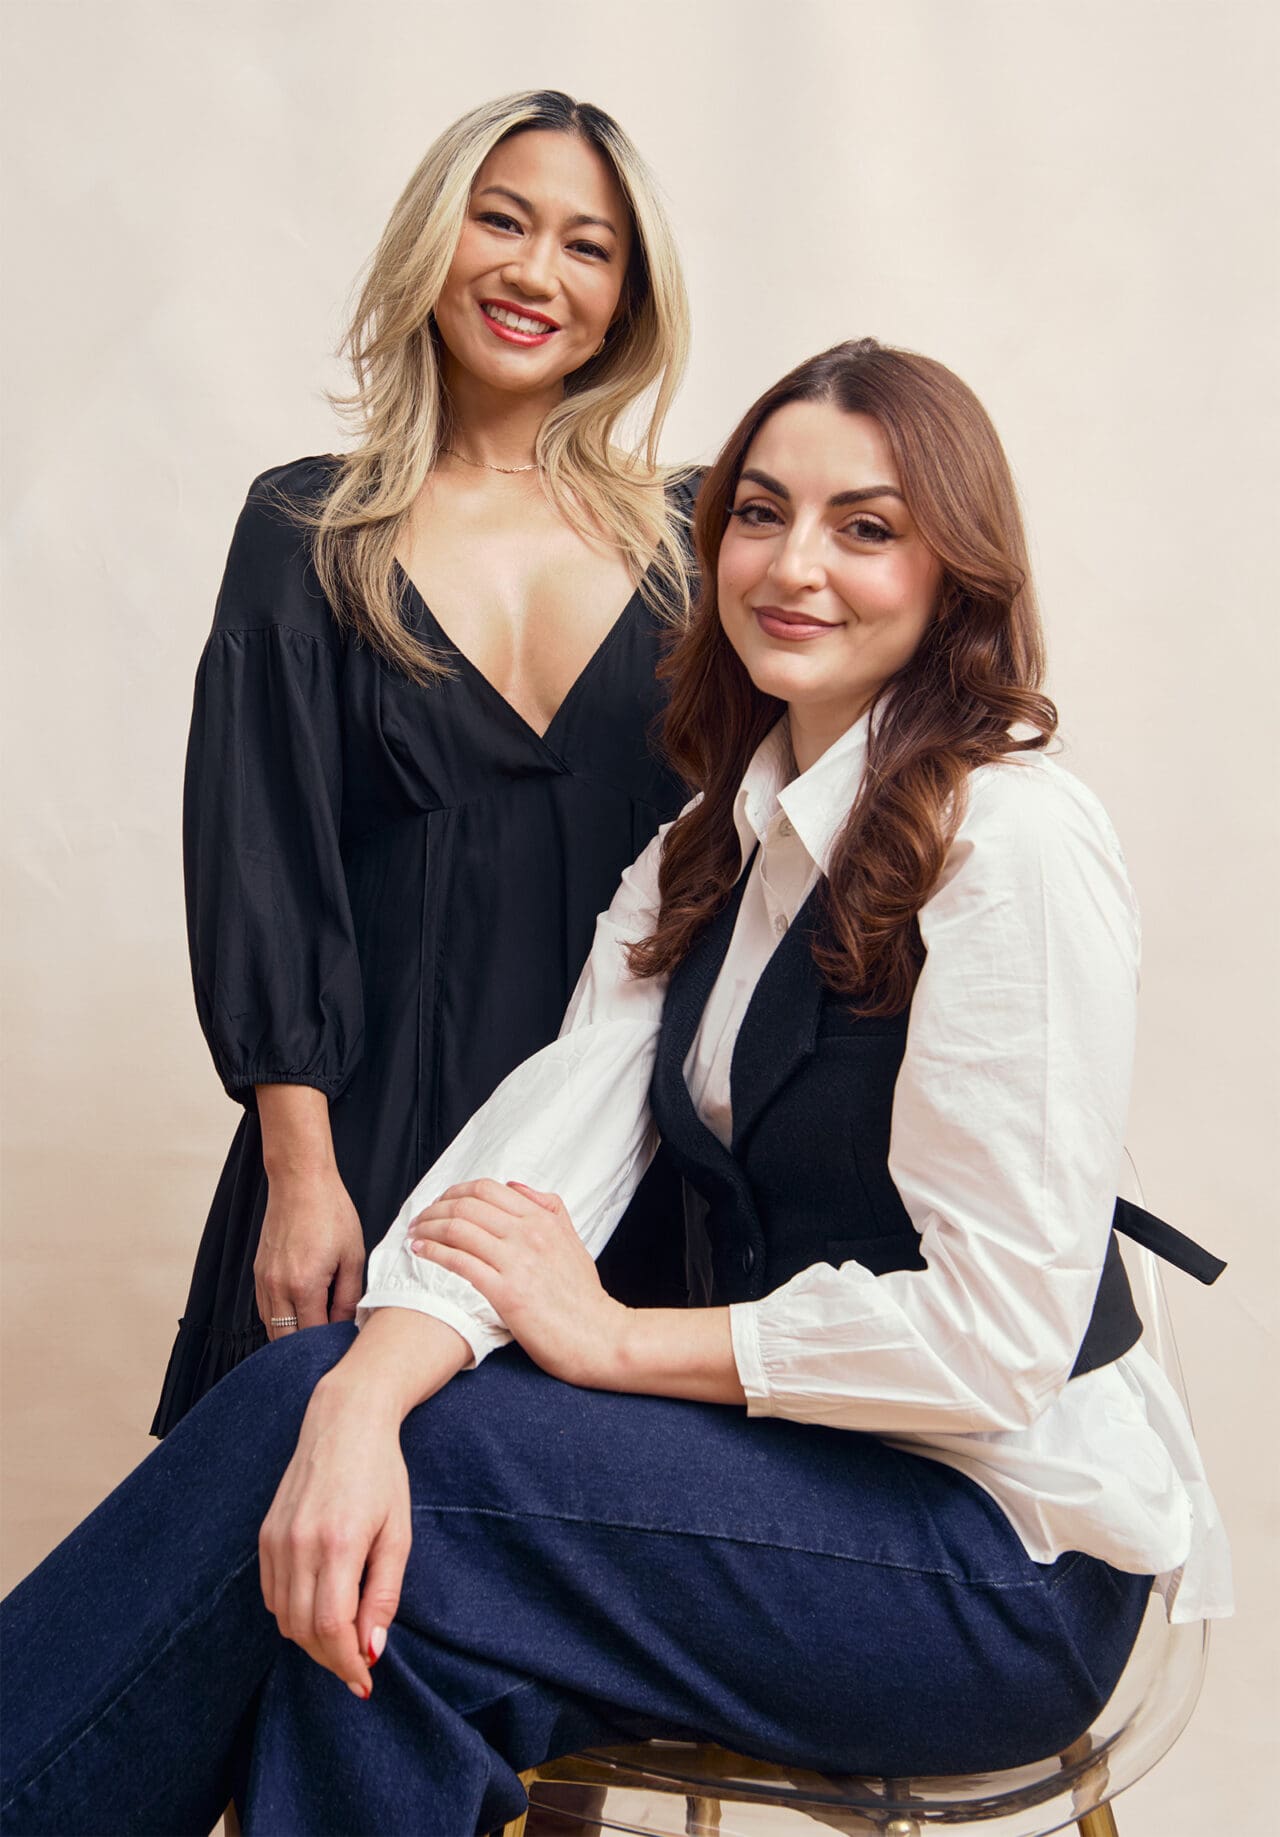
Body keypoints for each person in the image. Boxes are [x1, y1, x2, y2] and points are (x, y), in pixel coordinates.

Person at [1, 340, 1231, 1837]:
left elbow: (998, 1341)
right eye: (760, 513)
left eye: (866, 526)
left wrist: (611, 1338)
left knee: (427, 1491)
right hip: (817, 1486)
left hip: (1000, 1566)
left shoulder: (1014, 844)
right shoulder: (713, 843)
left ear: (955, 571)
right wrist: (353, 1395)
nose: (795, 565)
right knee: (387, 1570)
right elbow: (550, 1148)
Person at [152, 89, 696, 1435]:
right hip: (369, 1137)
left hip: (629, 1157)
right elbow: (259, 861)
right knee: (303, 1575)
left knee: (578, 1592)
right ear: (434, 241)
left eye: (587, 245)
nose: (533, 271)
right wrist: (299, 1171)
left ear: (627, 298)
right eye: (500, 221)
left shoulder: (702, 538)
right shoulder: (304, 527)